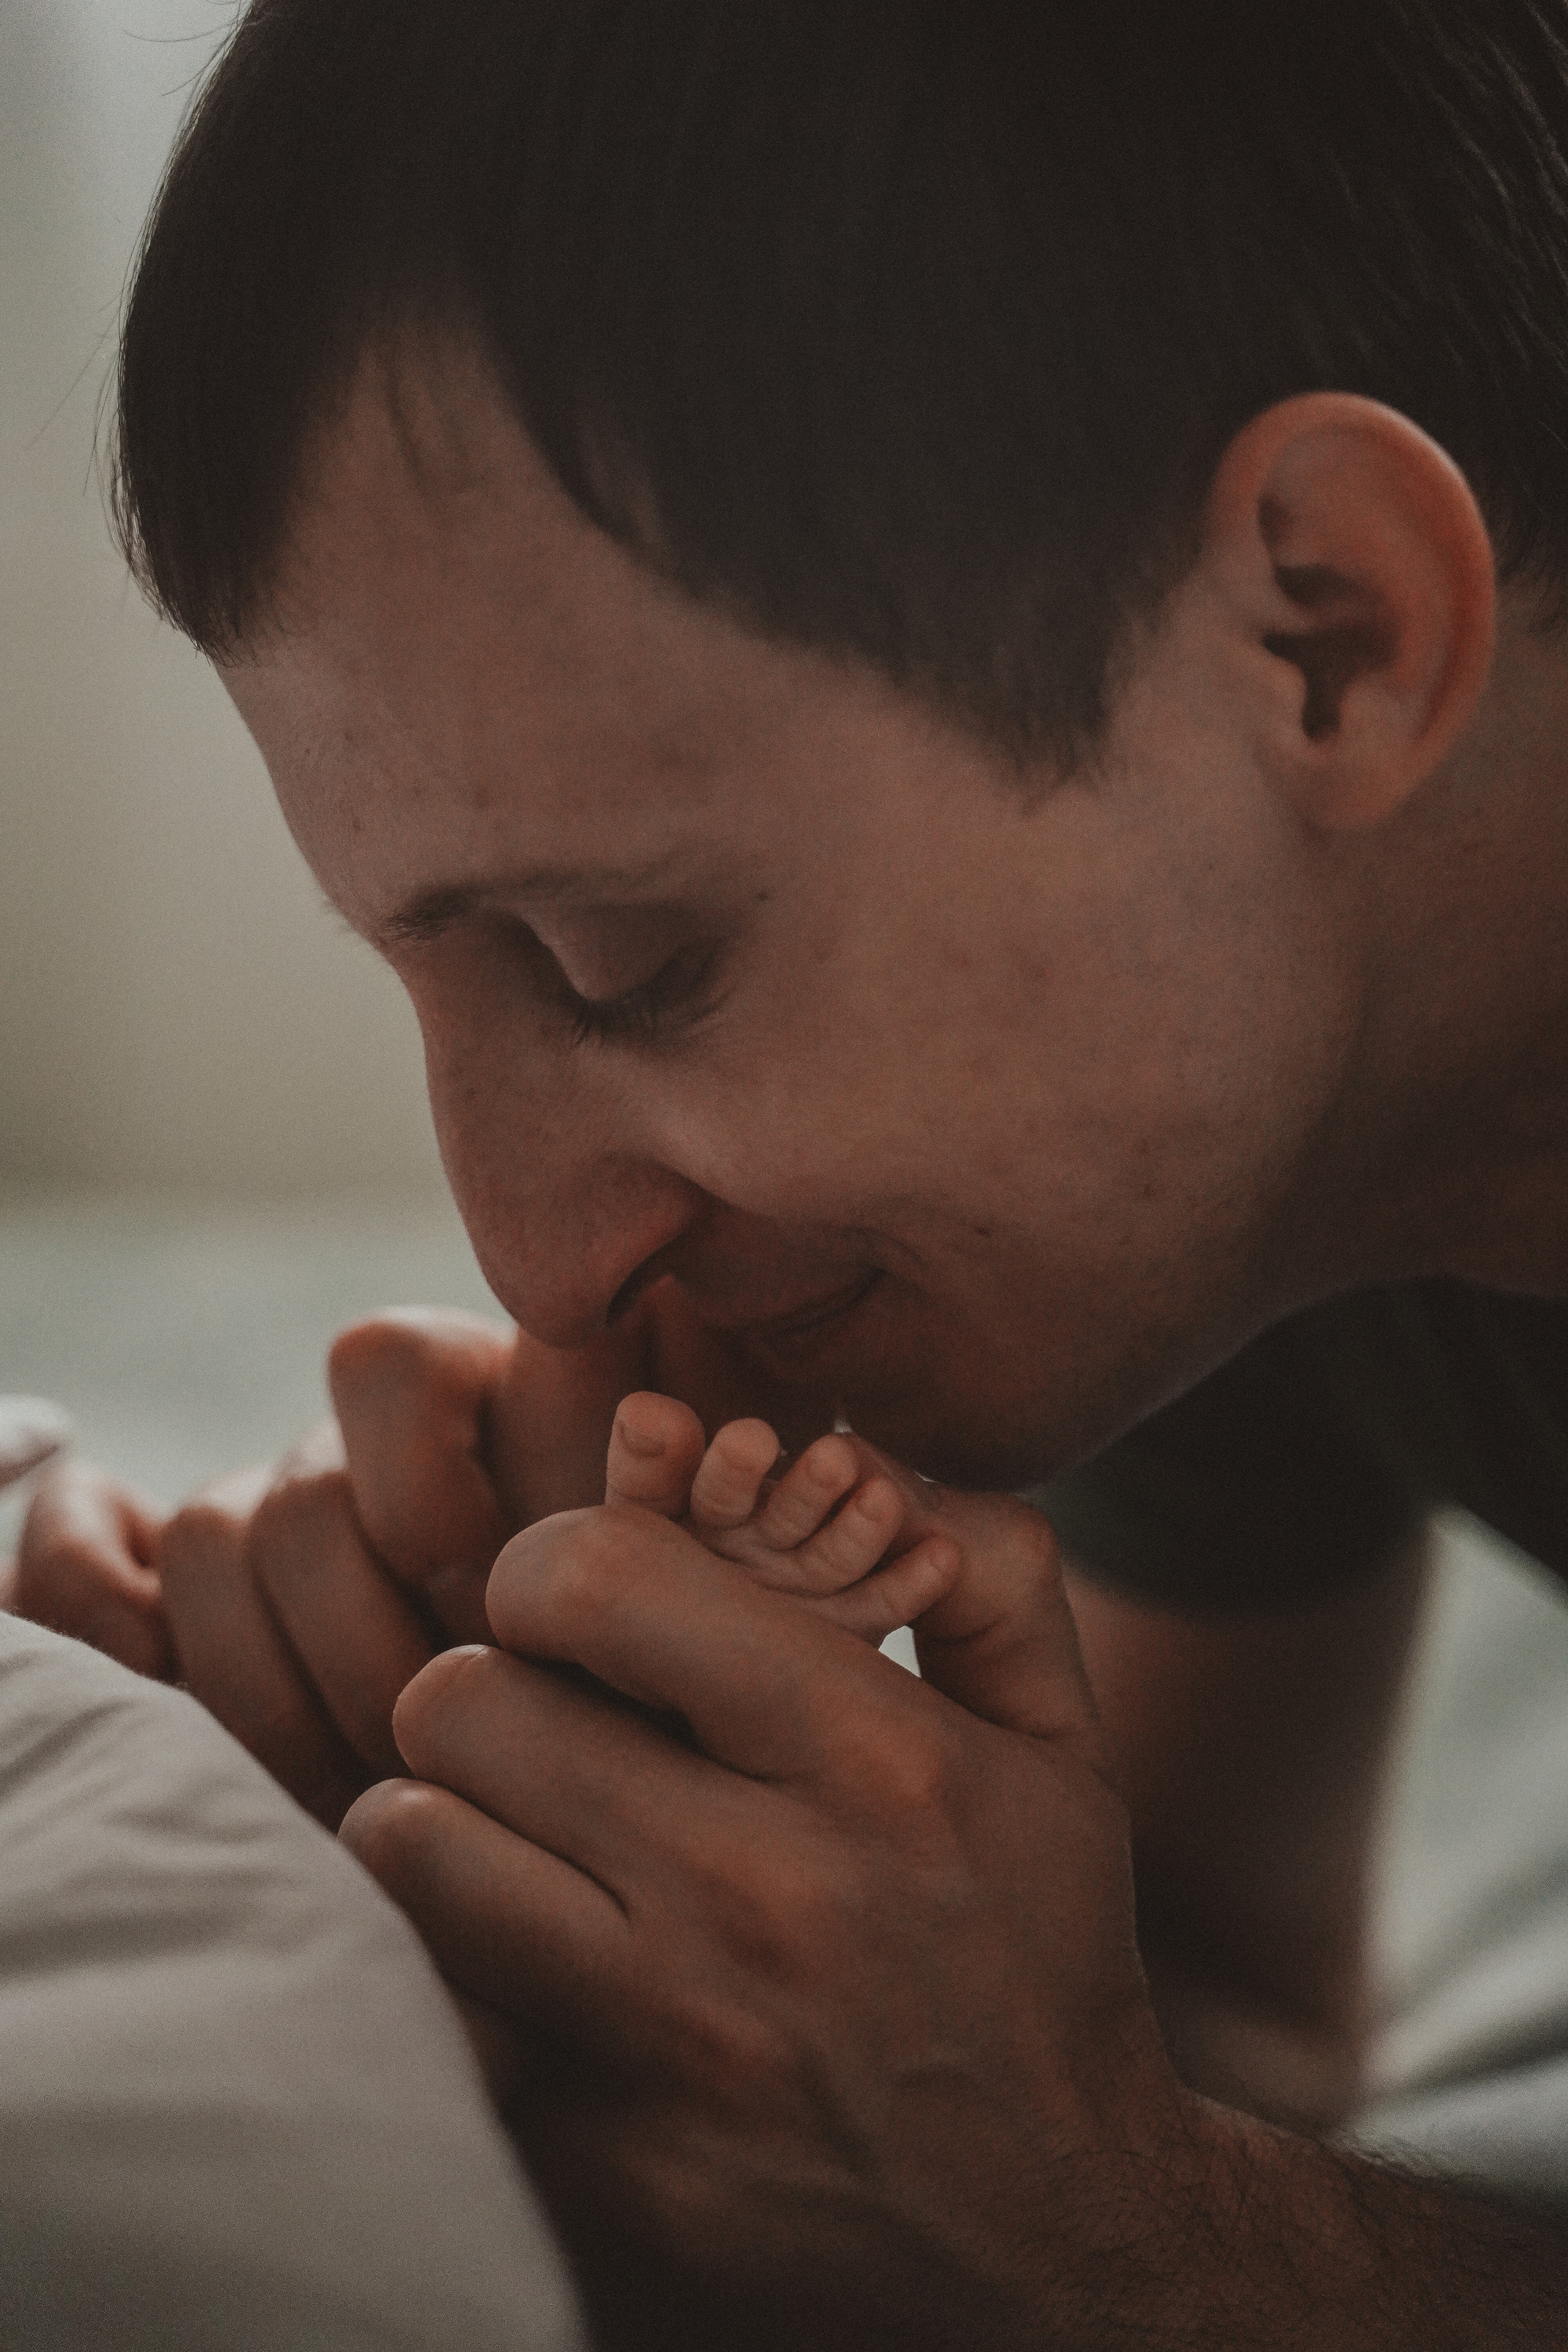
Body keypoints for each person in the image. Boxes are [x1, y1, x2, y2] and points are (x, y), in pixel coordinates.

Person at [13, 0, 1568, 2340]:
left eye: (625, 964)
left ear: (1330, 635)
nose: (532, 1264)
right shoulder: (1254, 1129)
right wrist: (642, 1901)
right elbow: (1226, 1998)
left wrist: (1138, 2228)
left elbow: (1151, 2174)